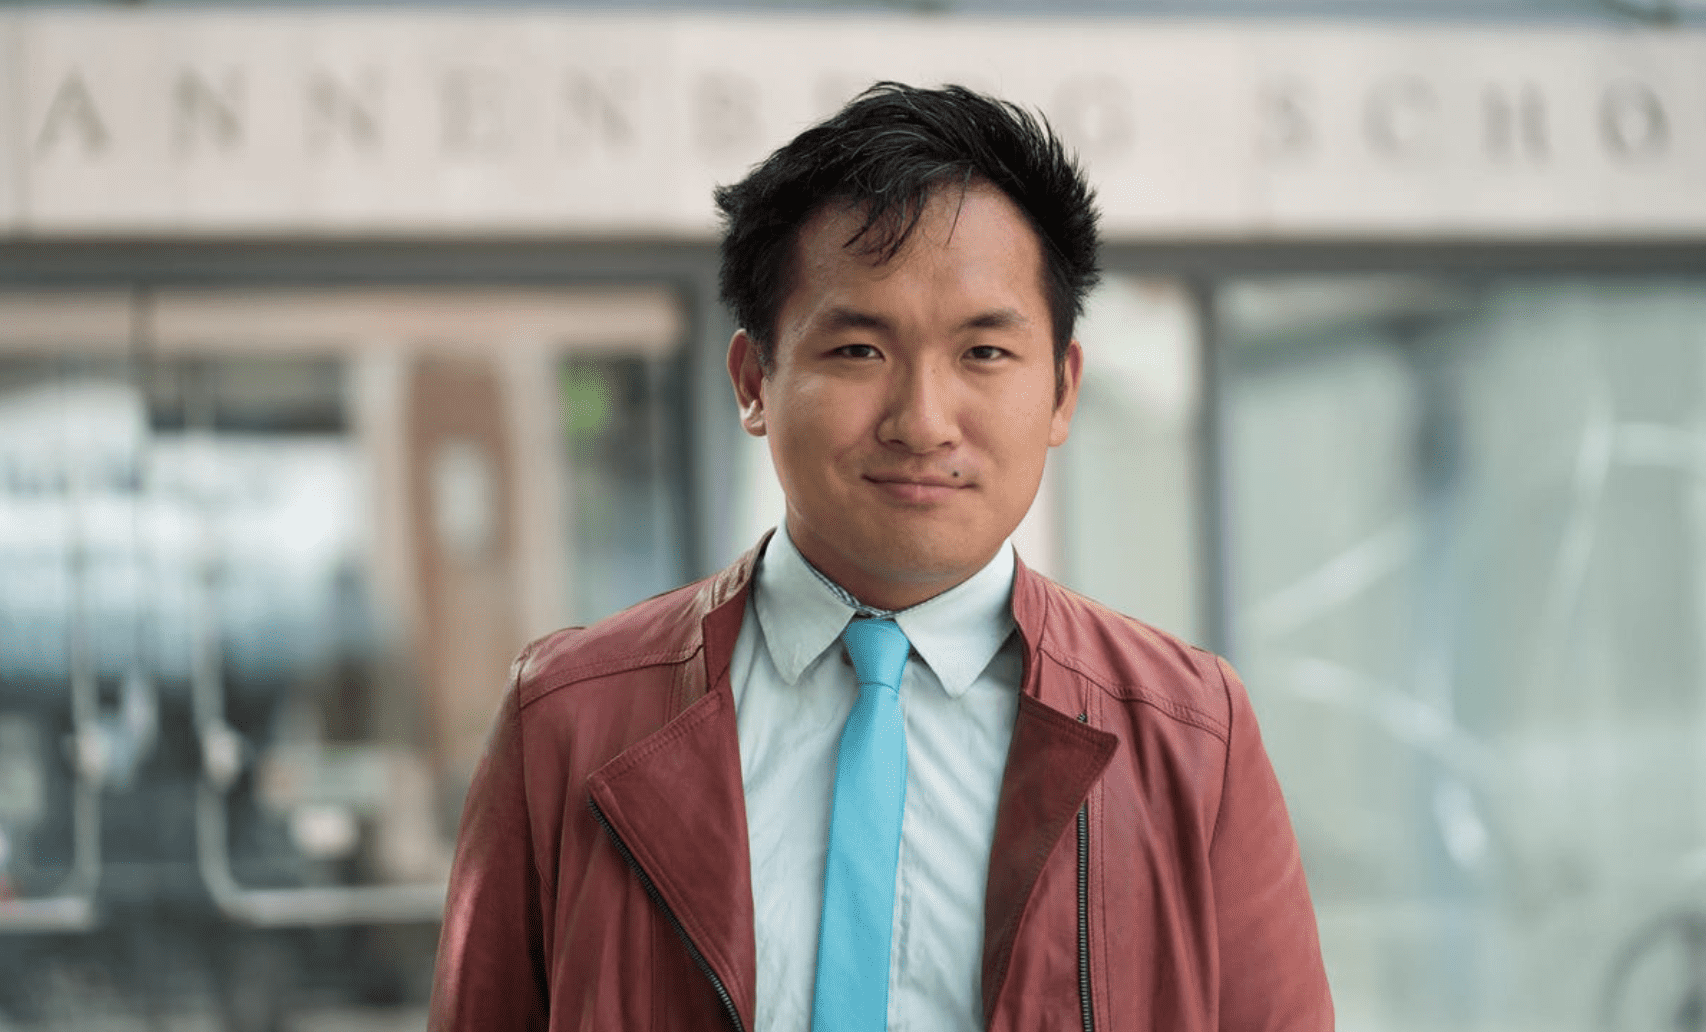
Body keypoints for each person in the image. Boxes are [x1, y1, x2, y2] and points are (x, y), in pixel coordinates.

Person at [428, 82, 1332, 1032]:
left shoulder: (1193, 736)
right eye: (859, 350)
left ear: (1062, 391)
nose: (922, 422)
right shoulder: (566, 719)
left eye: (984, 353)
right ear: (754, 381)